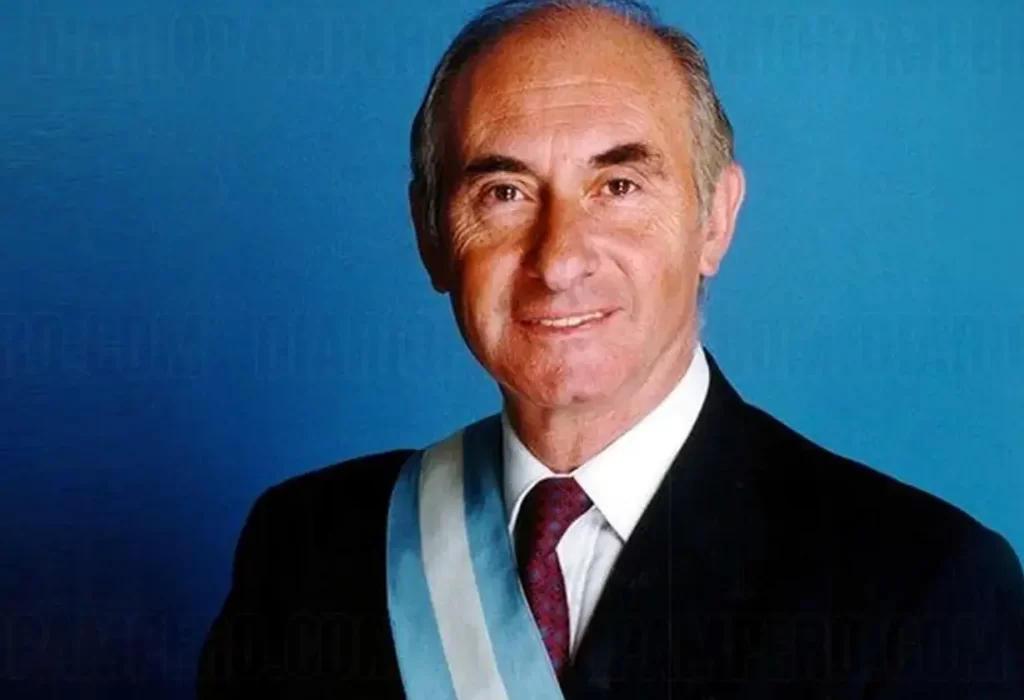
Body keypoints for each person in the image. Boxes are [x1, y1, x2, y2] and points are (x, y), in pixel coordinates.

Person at [196, 1, 1024, 698]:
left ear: (715, 220)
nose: (560, 260)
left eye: (618, 186)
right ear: (430, 236)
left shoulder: (920, 588)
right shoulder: (308, 551)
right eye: (505, 192)